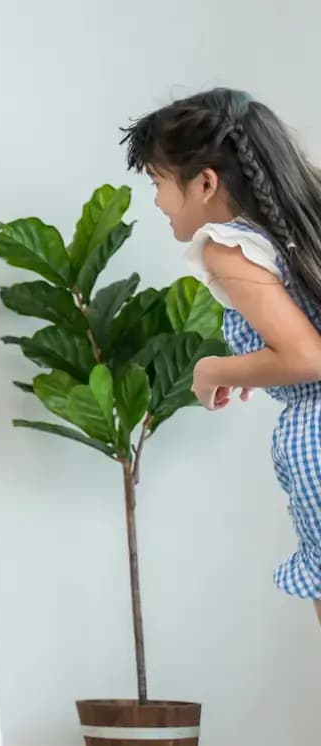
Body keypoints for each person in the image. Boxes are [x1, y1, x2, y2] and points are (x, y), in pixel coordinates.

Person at [126, 88, 321, 627]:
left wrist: (213, 368)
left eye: (157, 182)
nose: (157, 201)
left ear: (205, 183)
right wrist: (260, 365)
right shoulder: (302, 229)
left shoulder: (227, 245)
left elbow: (308, 357)